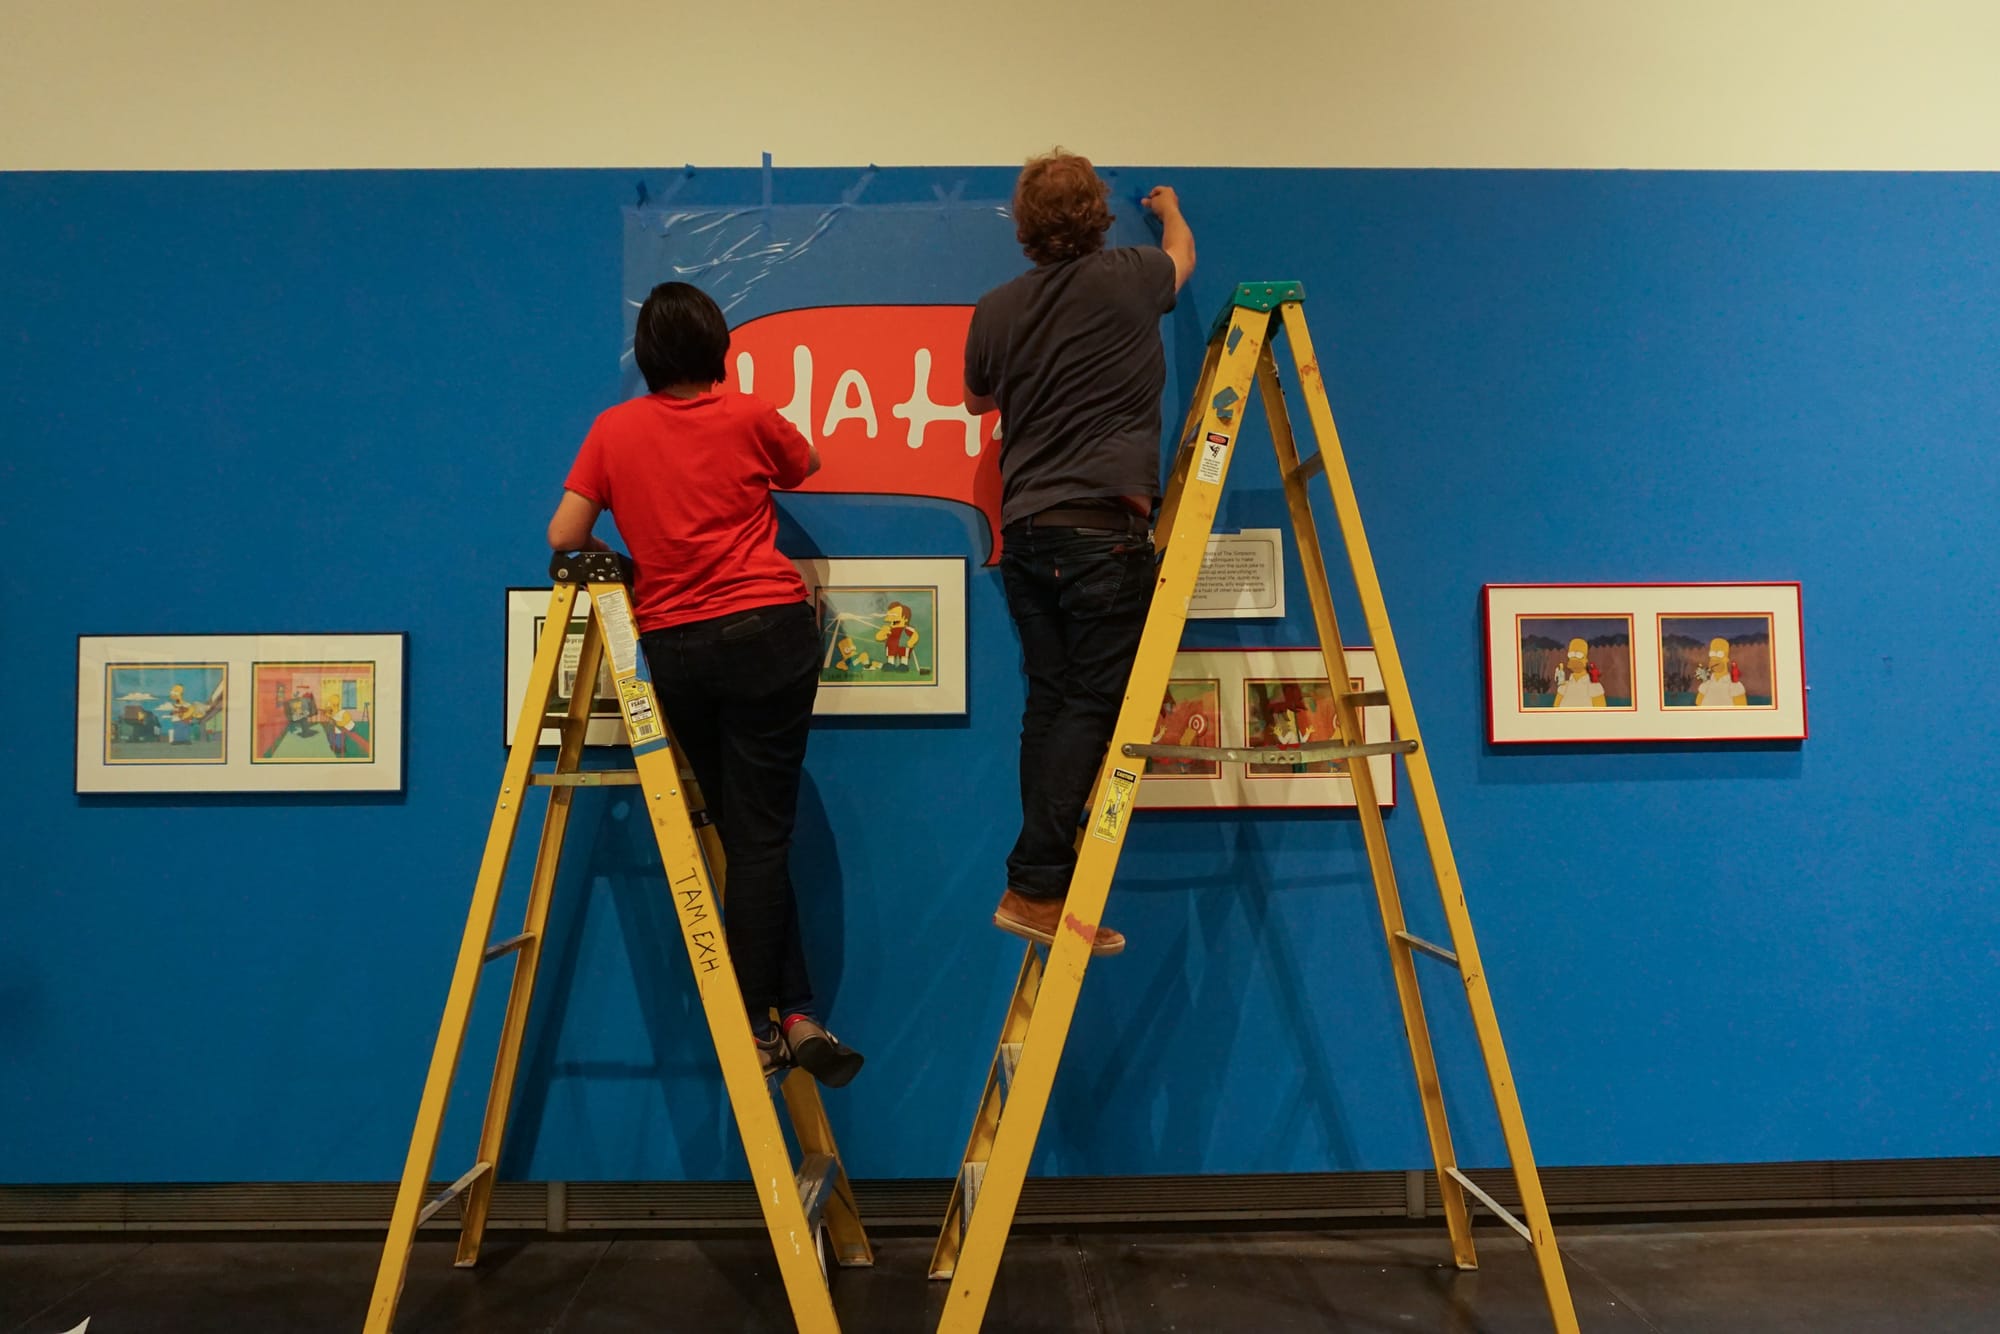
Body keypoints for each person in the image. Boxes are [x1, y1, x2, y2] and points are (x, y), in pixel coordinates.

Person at [547, 281, 863, 1087]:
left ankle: (793, 1012)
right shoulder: (748, 414)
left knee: (742, 831)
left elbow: (564, 535)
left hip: (675, 646)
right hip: (765, 635)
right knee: (760, 840)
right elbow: (811, 461)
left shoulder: (613, 431)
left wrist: (635, 566)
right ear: (718, 349)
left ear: (647, 358)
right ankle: (762, 1021)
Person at [962, 150, 1195, 955]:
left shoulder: (994, 307)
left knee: (1051, 700)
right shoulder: (1133, 274)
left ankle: (1041, 887)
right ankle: (1032, 882)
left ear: (1024, 227)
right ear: (1097, 215)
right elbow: (1183, 262)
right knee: (1093, 704)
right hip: (1101, 529)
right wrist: (1167, 211)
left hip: (1025, 531)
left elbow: (974, 397)